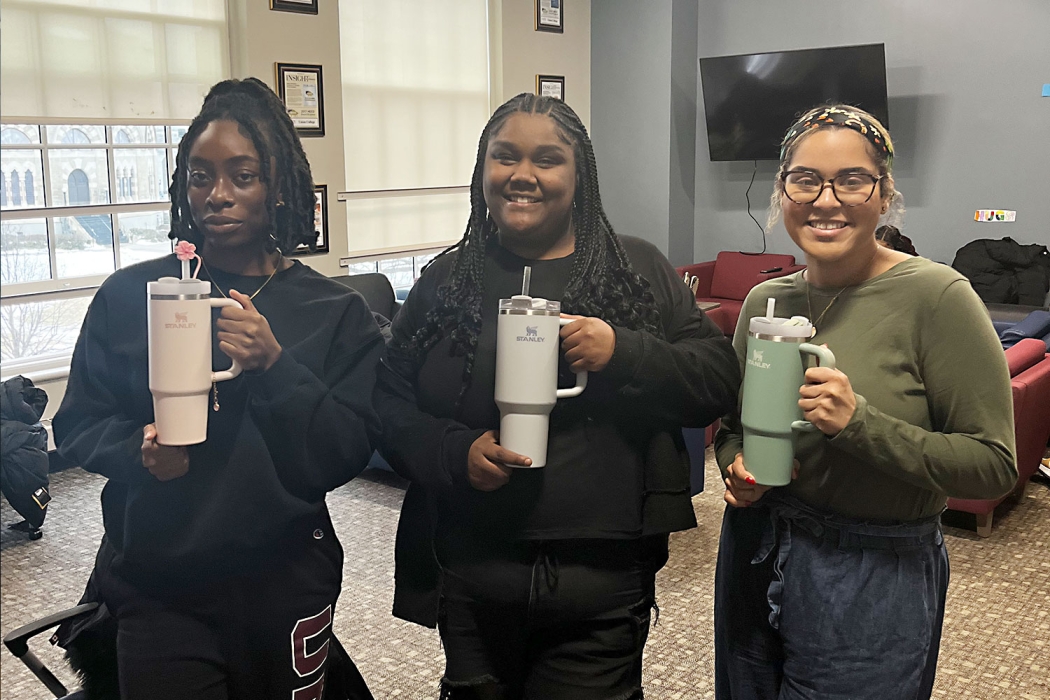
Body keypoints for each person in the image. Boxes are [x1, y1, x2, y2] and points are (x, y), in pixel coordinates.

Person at [375, 93, 740, 700]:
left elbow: (717, 381)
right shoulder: (447, 280)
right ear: (482, 171)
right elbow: (386, 400)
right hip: (469, 573)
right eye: (504, 158)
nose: (523, 175)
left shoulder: (637, 271)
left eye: (547, 159)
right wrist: (449, 451)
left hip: (602, 583)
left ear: (580, 176)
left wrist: (624, 351)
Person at [53, 78, 384, 700]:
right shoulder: (133, 298)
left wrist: (274, 364)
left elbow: (344, 452)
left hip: (286, 583)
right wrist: (138, 452)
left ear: (279, 187)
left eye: (243, 175)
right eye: (200, 176)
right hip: (160, 584)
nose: (218, 195)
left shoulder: (332, 312)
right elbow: (76, 423)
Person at [713, 104, 1017, 699]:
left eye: (852, 179)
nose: (827, 200)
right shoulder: (763, 303)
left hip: (874, 570)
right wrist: (737, 465)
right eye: (805, 180)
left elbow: (993, 466)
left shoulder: (938, 297)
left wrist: (860, 424)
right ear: (782, 194)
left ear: (884, 195)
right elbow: (730, 427)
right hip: (755, 546)